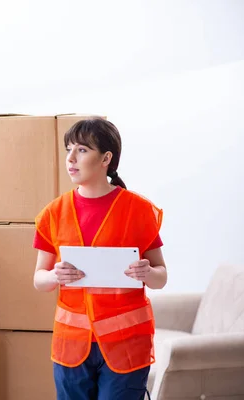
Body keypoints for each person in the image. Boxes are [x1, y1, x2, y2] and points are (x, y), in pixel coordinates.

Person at [33, 117, 167, 400]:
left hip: (126, 346)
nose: (71, 158)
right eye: (68, 149)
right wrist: (55, 276)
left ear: (106, 157)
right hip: (72, 346)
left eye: (82, 150)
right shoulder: (53, 213)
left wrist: (147, 273)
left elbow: (161, 277)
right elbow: (39, 280)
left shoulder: (138, 210)